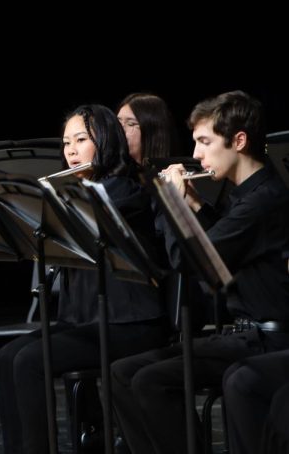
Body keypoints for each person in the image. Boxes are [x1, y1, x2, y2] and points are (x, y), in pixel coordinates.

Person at [110, 91, 289, 454]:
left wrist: (172, 203)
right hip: (242, 335)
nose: (195, 155)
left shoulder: (263, 200)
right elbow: (223, 244)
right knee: (123, 373)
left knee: (151, 381)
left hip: (269, 339)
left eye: (204, 142)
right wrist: (195, 204)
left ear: (238, 141)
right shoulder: (240, 194)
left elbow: (192, 262)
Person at [0, 104, 170, 454]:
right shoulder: (71, 190)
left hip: (131, 323)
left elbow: (99, 213)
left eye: (81, 139)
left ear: (104, 142)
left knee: (30, 362)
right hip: (84, 321)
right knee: (4, 358)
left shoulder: (126, 190)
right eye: (66, 143)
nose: (71, 150)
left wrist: (53, 201)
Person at [116, 92, 178, 165]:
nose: (120, 129)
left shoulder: (174, 174)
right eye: (118, 122)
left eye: (131, 124)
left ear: (153, 132)